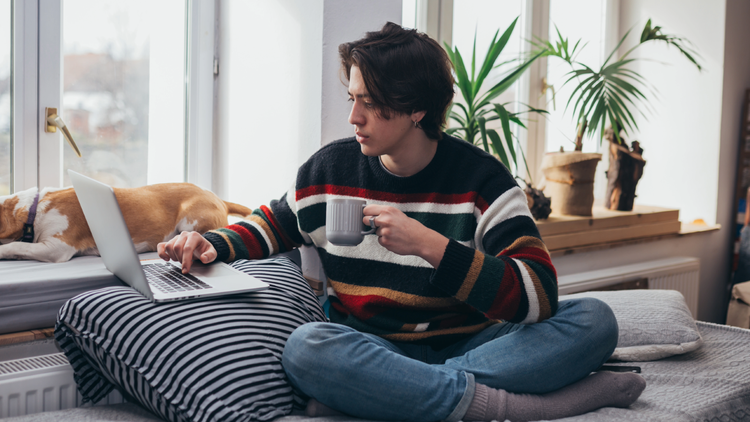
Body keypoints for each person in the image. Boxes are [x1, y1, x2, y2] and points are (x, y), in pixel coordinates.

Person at [158, 22, 645, 422]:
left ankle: (391, 397)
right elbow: (271, 224)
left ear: (417, 109)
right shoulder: (330, 170)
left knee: (593, 321)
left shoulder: (482, 179)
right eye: (352, 97)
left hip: (472, 343)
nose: (353, 116)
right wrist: (210, 245)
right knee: (307, 347)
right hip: (369, 347)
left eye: (369, 102)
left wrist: (432, 246)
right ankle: (506, 406)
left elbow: (537, 295)